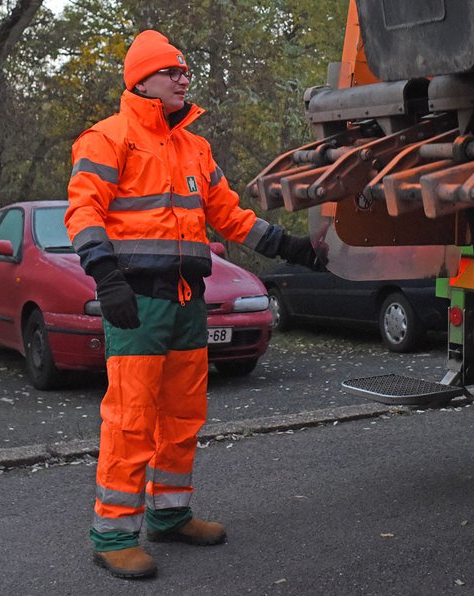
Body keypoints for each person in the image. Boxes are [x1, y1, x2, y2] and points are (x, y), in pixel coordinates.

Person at [65, 29, 318, 579]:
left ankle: (170, 515)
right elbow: (83, 213)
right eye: (170, 71)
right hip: (137, 302)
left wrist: (292, 248)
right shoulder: (108, 138)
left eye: (184, 71)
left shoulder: (194, 147)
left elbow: (230, 217)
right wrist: (106, 279)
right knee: (132, 420)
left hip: (187, 301)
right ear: (142, 80)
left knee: (181, 416)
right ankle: (112, 534)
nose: (183, 78)